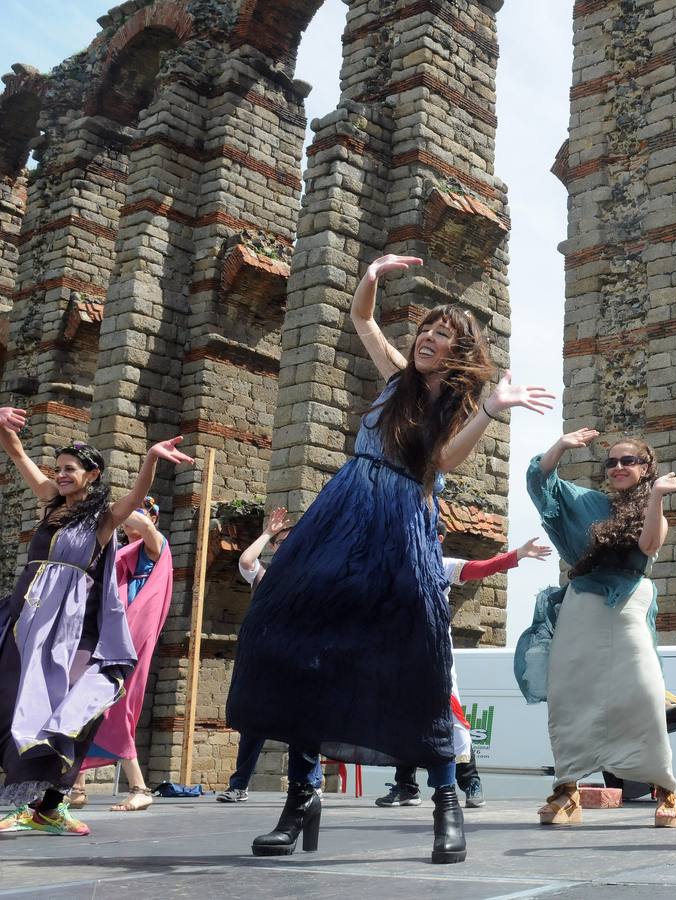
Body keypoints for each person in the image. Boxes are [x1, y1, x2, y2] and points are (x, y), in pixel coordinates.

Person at [225, 252, 553, 863]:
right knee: (298, 644)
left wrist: (491, 408)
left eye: (444, 334)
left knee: (417, 661)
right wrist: (371, 277)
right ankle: (301, 798)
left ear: (458, 353)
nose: (429, 337)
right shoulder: (397, 376)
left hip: (400, 522)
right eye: (427, 328)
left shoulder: (453, 404)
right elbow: (363, 320)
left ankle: (446, 800)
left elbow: (443, 462)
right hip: (345, 511)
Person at [0, 408, 190, 836]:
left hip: (77, 629)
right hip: (29, 624)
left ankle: (51, 806)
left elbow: (136, 496)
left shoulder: (104, 518)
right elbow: (18, 455)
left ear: (92, 475)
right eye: (58, 469)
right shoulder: (50, 501)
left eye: (70, 469)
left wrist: (151, 457)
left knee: (76, 707)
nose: (61, 475)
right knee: (19, 705)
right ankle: (31, 805)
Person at [518, 429, 676, 828]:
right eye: (611, 461)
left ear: (646, 468)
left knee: (643, 692)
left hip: (629, 601)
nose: (618, 467)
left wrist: (657, 496)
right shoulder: (589, 503)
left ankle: (665, 789)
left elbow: (649, 546)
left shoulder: (654, 504)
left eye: (628, 461)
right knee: (567, 694)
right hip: (582, 601)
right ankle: (567, 790)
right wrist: (560, 445)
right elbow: (539, 481)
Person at [376, 536, 553, 809]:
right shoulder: (397, 569)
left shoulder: (442, 565)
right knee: (404, 717)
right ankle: (406, 786)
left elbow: (480, 568)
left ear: (437, 538)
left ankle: (470, 781)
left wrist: (517, 554)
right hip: (404, 654)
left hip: (435, 653)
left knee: (452, 716)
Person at [69, 497, 174, 812]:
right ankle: (76, 786)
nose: (129, 523)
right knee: (84, 703)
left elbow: (142, 524)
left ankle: (140, 788)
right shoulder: (116, 554)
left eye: (137, 515)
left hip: (130, 644)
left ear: (152, 518)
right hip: (107, 639)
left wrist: (107, 506)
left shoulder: (155, 546)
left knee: (117, 706)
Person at [214, 507, 318, 803]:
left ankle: (311, 783)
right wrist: (268, 533)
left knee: (304, 722)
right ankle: (239, 785)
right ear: (273, 547)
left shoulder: (310, 577)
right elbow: (246, 560)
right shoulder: (264, 574)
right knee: (253, 723)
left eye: (292, 542)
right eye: (281, 543)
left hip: (297, 660)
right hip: (264, 660)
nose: (287, 547)